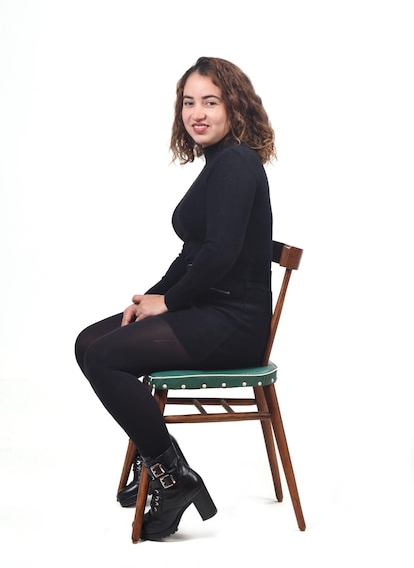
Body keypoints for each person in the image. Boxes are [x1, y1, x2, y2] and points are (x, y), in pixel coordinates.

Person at [75, 56, 277, 541]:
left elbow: (221, 255)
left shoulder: (236, 163)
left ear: (235, 107)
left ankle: (172, 478)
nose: (197, 113)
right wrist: (155, 295)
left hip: (234, 322)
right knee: (90, 342)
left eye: (211, 101)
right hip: (211, 309)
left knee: (104, 357)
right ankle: (161, 464)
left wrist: (169, 304)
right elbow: (195, 254)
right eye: (189, 102)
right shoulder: (219, 163)